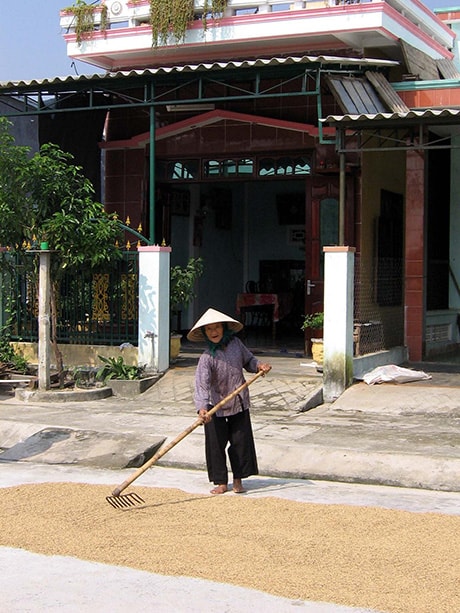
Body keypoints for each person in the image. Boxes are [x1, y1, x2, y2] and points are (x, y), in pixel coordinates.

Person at [187, 308, 271, 495]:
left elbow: (249, 360)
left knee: (240, 442)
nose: (214, 332)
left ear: (224, 328)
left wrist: (259, 366)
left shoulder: (236, 344)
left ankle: (238, 480)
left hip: (239, 402)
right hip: (215, 407)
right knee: (215, 445)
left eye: (217, 328)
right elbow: (202, 386)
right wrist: (202, 409)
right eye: (209, 330)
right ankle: (221, 482)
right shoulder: (206, 357)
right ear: (205, 334)